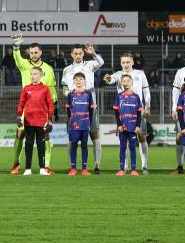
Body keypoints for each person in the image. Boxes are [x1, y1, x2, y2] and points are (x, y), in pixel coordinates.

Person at [10, 35, 57, 174]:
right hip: (27, 108)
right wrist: (16, 47)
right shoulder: (24, 65)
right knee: (20, 133)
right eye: (31, 53)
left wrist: (52, 109)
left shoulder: (48, 69)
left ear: (41, 52)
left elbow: (52, 90)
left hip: (42, 110)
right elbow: (17, 58)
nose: (34, 55)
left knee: (46, 135)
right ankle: (16, 163)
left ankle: (46, 165)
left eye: (36, 52)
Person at [104, 51, 152, 174]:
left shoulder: (140, 74)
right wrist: (109, 79)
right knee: (124, 140)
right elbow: (111, 79)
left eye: (128, 62)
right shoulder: (118, 74)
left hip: (138, 112)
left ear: (132, 62)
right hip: (123, 113)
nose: (125, 64)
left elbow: (146, 91)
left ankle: (145, 165)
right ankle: (124, 167)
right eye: (123, 62)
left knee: (142, 138)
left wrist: (147, 106)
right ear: (120, 63)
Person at [62, 43, 104, 173]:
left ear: (83, 54)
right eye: (76, 53)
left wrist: (93, 53)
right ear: (71, 54)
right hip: (74, 108)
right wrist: (69, 93)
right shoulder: (67, 70)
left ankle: (97, 165)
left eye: (80, 53)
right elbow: (64, 87)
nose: (78, 56)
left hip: (89, 105)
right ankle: (72, 166)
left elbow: (101, 63)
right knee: (72, 138)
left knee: (94, 134)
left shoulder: (90, 65)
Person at [17, 67, 54, 175]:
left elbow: (50, 104)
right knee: (28, 144)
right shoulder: (26, 88)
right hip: (28, 120)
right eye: (32, 74)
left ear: (41, 75)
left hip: (41, 121)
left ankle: (42, 168)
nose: (33, 76)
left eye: (35, 74)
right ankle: (28, 168)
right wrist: (19, 115)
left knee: (41, 144)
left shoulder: (45, 89)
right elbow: (21, 103)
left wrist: (50, 118)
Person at [113, 75, 143, 176]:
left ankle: (133, 169)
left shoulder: (136, 97)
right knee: (122, 147)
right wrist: (118, 124)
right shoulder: (119, 96)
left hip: (133, 127)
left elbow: (139, 113)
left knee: (132, 148)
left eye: (128, 81)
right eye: (124, 81)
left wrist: (138, 125)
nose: (126, 82)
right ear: (122, 83)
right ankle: (122, 169)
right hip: (123, 127)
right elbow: (116, 111)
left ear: (132, 82)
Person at [66, 72, 95, 175]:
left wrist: (89, 122)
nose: (78, 81)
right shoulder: (70, 94)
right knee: (73, 145)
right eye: (76, 79)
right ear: (73, 81)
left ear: (85, 81)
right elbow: (68, 110)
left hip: (85, 124)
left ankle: (84, 168)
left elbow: (91, 110)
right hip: (74, 124)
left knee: (84, 145)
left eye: (81, 79)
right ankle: (73, 168)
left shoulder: (88, 94)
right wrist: (71, 121)